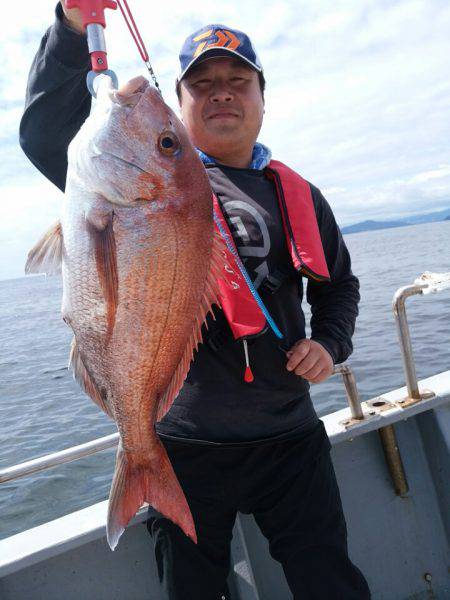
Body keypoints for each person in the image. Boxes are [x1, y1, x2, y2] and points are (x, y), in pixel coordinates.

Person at [20, 3, 371, 599]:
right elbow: (46, 129)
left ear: (263, 97)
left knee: (329, 582)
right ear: (180, 104)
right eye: (202, 85)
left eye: (238, 81)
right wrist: (71, 28)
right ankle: (140, 459)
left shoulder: (301, 195)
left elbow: (339, 288)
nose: (222, 94)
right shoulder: (136, 177)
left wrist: (329, 343)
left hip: (291, 437)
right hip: (182, 443)